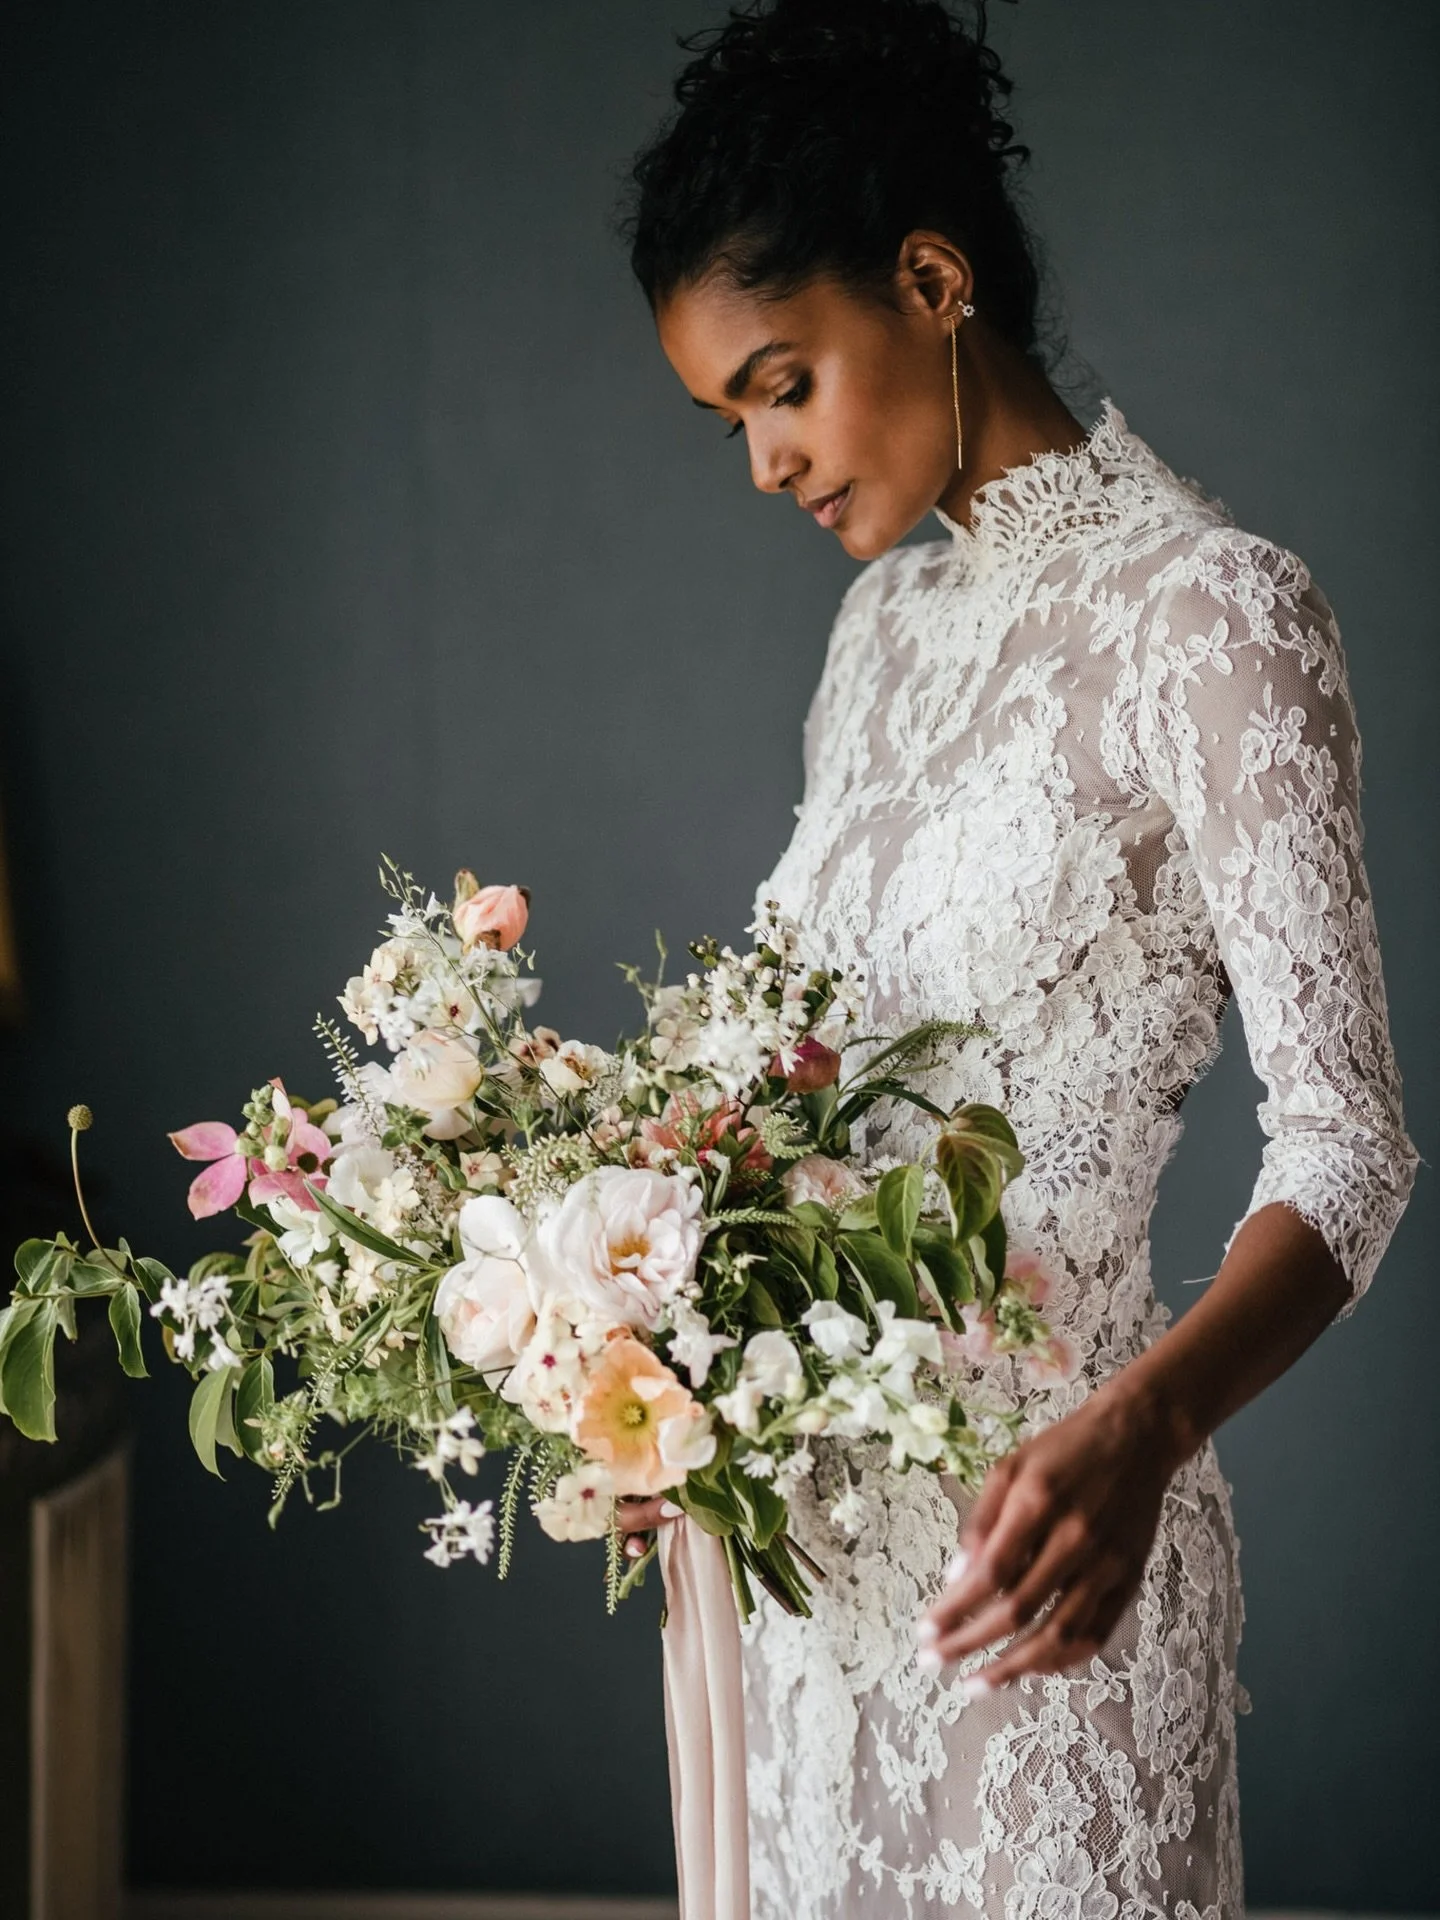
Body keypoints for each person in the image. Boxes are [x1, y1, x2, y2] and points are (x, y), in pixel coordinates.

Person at [611, 1, 1417, 1912]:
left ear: (933, 276)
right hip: (813, 1583)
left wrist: (1146, 1427)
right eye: (731, 418)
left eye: (782, 383)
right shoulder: (872, 646)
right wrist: (651, 1355)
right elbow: (816, 1105)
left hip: (1055, 1567)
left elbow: (1351, 1147)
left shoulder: (1220, 620)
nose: (765, 465)